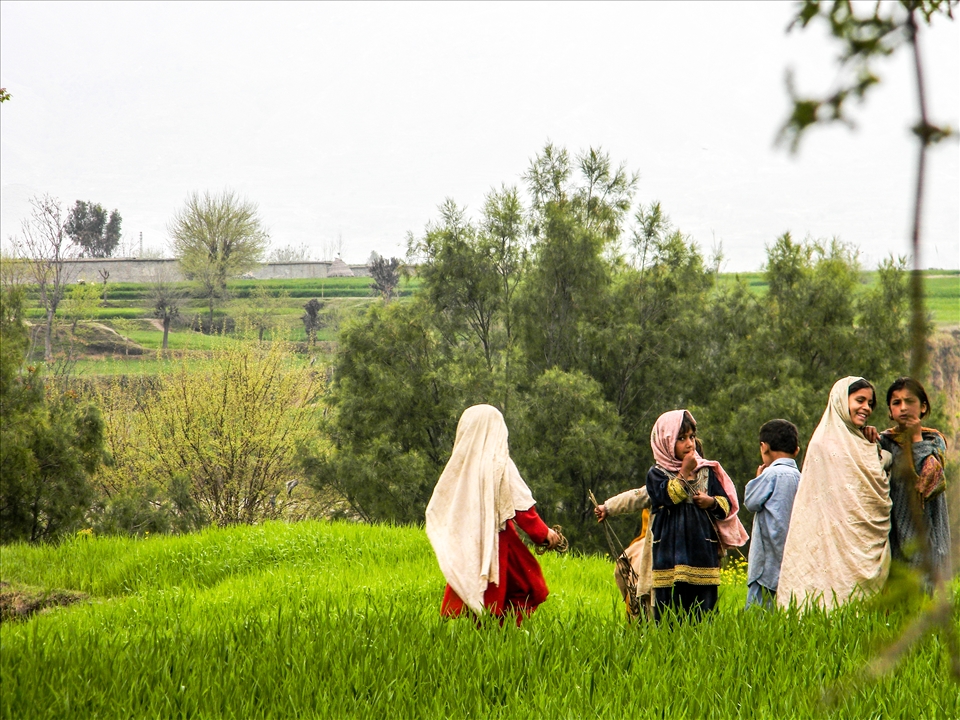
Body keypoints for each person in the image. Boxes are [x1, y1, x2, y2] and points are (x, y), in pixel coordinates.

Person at [425, 404, 561, 624]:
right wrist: (544, 534)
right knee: (529, 585)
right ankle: (502, 634)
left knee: (468, 582)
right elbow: (522, 508)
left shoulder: (460, 467)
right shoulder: (500, 465)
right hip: (498, 540)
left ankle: (483, 635)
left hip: (467, 539)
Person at [777, 377, 892, 612]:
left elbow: (873, 476)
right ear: (841, 400)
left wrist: (874, 447)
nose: (866, 408)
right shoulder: (823, 443)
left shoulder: (863, 441)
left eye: (870, 403)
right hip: (831, 533)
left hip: (862, 536)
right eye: (859, 400)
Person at [645, 409, 748, 621]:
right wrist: (683, 473)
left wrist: (711, 502)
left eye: (691, 437)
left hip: (702, 551)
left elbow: (726, 505)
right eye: (681, 438)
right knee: (669, 614)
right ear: (666, 441)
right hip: (668, 556)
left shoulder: (706, 471)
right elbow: (667, 496)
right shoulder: (656, 474)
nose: (689, 443)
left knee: (703, 614)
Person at [877, 377, 951, 587]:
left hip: (927, 524)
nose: (903, 408)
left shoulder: (933, 440)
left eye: (910, 402)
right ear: (890, 411)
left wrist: (917, 438)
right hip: (895, 527)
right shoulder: (884, 442)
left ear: (923, 407)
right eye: (896, 403)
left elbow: (931, 482)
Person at [743, 419, 801, 610]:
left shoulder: (770, 475)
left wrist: (758, 477)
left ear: (764, 447)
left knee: (759, 620)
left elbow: (751, 502)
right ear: (796, 450)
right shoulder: (801, 477)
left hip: (765, 567)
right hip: (792, 563)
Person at [594, 486, 653, 618]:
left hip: (687, 544)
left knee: (644, 581)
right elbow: (637, 496)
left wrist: (711, 502)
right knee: (622, 567)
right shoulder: (660, 476)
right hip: (650, 540)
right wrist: (607, 508)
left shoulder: (703, 476)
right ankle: (634, 614)